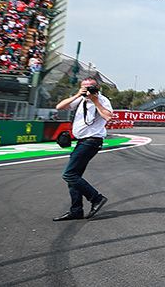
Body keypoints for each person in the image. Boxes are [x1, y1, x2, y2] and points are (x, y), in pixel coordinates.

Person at [52, 78, 112, 221]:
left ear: (97, 88)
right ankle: (76, 210)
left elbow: (108, 117)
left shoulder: (102, 100)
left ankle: (96, 198)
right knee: (73, 176)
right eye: (84, 87)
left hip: (92, 141)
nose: (87, 90)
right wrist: (78, 95)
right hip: (82, 141)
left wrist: (95, 100)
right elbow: (59, 107)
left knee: (69, 174)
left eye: (90, 87)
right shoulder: (80, 99)